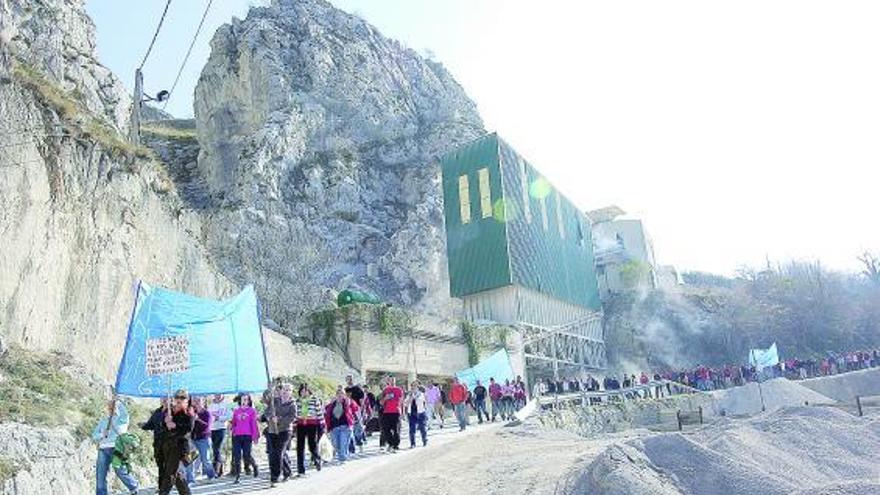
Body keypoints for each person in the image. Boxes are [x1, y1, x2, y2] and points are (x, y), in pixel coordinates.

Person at [92, 399, 138, 495]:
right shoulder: (103, 421)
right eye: (110, 407)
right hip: (103, 449)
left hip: (117, 448)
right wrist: (101, 434)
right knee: (100, 475)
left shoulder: (122, 419)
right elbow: (94, 435)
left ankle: (133, 485)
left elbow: (125, 413)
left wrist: (118, 402)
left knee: (120, 470)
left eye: (113, 407)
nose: (111, 408)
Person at [157, 390, 193, 495]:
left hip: (179, 447)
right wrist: (165, 422)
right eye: (177, 398)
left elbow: (188, 430)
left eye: (182, 398)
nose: (179, 400)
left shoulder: (188, 414)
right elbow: (162, 429)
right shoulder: (169, 412)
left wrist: (175, 425)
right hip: (168, 447)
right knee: (177, 475)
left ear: (187, 401)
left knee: (169, 474)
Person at [262, 383, 296, 486]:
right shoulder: (275, 400)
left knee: (278, 453)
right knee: (273, 453)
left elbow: (292, 417)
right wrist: (270, 417)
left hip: (285, 431)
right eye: (284, 389)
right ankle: (287, 471)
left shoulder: (292, 404)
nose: (285, 391)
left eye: (288, 390)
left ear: (291, 392)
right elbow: (267, 411)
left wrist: (279, 420)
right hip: (272, 430)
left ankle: (275, 477)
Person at [230, 393, 260, 484]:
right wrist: (232, 429)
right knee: (237, 456)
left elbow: (254, 424)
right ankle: (238, 476)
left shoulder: (252, 411)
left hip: (247, 435)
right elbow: (234, 422)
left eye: (246, 399)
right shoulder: (236, 411)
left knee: (246, 455)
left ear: (249, 401)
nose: (244, 401)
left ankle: (254, 466)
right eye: (243, 399)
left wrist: (255, 436)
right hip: (237, 436)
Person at [295, 383, 323, 475]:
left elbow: (319, 413)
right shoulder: (298, 401)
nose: (303, 393)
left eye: (305, 391)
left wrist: (323, 425)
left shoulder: (315, 400)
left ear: (308, 391)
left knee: (312, 445)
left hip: (312, 424)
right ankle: (301, 469)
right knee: (300, 447)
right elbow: (295, 414)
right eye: (302, 391)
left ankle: (317, 459)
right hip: (300, 425)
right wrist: (293, 425)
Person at [324, 385, 357, 464]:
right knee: (335, 444)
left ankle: (343, 458)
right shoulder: (332, 404)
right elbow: (325, 412)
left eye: (341, 393)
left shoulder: (348, 401)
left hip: (345, 426)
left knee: (343, 443)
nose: (340, 395)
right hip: (334, 427)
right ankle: (342, 455)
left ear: (344, 395)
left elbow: (356, 409)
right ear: (336, 395)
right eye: (338, 393)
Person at [187, 396, 217, 482]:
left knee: (205, 460)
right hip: (192, 439)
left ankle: (211, 475)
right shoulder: (191, 412)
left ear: (203, 401)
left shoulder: (207, 413)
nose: (196, 402)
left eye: (198, 400)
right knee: (190, 459)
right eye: (195, 400)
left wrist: (197, 419)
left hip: (203, 439)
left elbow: (207, 426)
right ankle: (190, 479)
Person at [207, 394, 233, 477]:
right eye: (216, 394)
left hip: (221, 428)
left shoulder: (226, 404)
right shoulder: (211, 405)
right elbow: (208, 416)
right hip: (212, 429)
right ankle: (220, 470)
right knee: (214, 449)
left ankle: (216, 470)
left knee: (217, 448)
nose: (217, 396)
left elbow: (230, 416)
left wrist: (219, 418)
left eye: (219, 394)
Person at [380, 376, 404, 451]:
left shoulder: (399, 390)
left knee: (396, 430)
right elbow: (381, 402)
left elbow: (401, 402)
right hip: (386, 412)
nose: (392, 381)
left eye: (393, 380)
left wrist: (402, 412)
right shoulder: (385, 390)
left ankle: (395, 445)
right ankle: (391, 443)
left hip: (396, 412)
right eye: (391, 380)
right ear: (388, 381)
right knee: (385, 429)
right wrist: (385, 398)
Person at [404, 380, 428, 448]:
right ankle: (412, 443)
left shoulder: (421, 394)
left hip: (420, 413)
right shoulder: (409, 395)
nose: (413, 387)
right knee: (412, 429)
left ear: (418, 387)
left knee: (422, 428)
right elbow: (406, 404)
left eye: (415, 386)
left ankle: (424, 440)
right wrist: (411, 398)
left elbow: (424, 401)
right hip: (411, 413)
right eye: (412, 386)